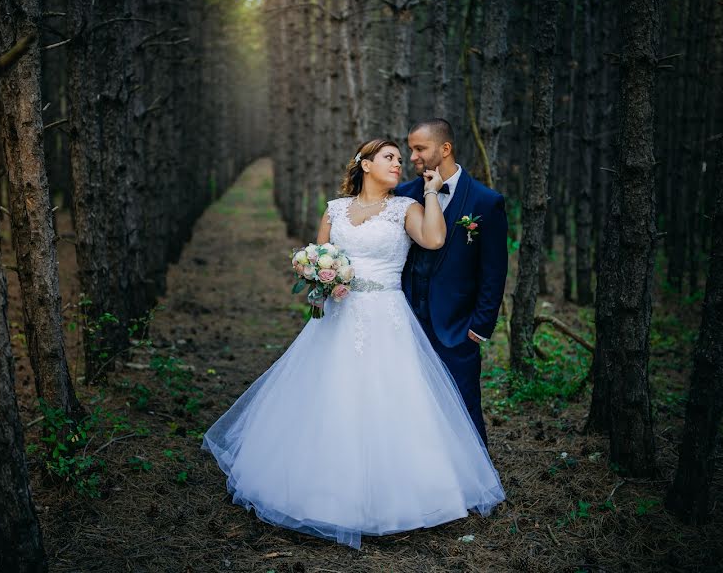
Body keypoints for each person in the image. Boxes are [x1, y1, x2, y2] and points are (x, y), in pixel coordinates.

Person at [202, 139, 505, 550]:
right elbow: (319, 256)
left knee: (391, 403)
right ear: (365, 164)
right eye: (389, 157)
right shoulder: (335, 209)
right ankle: (323, 495)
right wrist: (320, 279)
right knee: (330, 399)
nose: (398, 164)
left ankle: (397, 499)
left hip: (388, 318)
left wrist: (431, 192)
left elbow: (434, 240)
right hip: (337, 320)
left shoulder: (406, 208)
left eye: (401, 159)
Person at [395, 119, 508, 445]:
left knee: (463, 403)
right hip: (405, 320)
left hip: (457, 325)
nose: (412, 157)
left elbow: (494, 270)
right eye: (411, 148)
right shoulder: (404, 195)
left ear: (445, 149)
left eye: (420, 149)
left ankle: (477, 481)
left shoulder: (486, 202)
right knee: (408, 400)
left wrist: (480, 324)